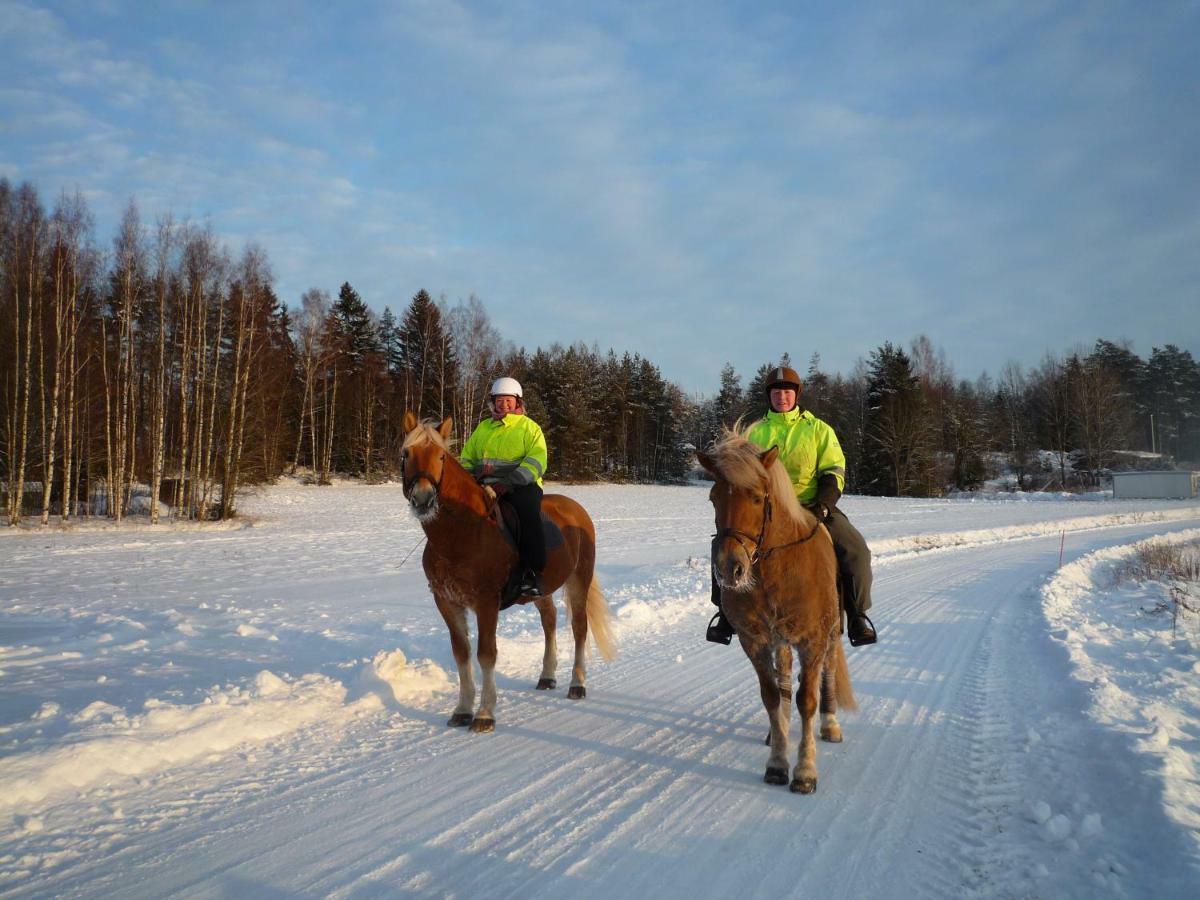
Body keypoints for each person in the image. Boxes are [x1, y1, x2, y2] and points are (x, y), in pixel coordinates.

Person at [707, 365, 878, 647]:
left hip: (811, 505)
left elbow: (834, 471)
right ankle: (724, 614)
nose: (781, 397)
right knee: (725, 543)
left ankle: (857, 614)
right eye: (776, 392)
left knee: (855, 549)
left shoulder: (818, 430)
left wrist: (824, 505)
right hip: (765, 511)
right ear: (769, 396)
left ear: (796, 394)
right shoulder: (756, 432)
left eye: (787, 391)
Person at [460, 377, 549, 606]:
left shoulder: (529, 427)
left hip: (522, 485)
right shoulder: (484, 427)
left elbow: (537, 460)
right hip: (486, 484)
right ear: (493, 402)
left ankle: (531, 572)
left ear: (517, 402)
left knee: (527, 513)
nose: (504, 405)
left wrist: (511, 481)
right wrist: (468, 475)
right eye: (500, 400)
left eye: (509, 400)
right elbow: (468, 456)